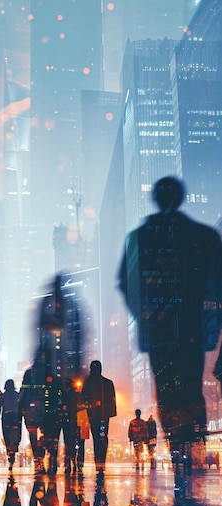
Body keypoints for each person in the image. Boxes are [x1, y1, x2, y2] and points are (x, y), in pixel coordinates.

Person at [118, 176, 222, 465]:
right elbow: (217, 283)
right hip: (192, 329)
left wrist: (145, 315)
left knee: (166, 390)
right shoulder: (204, 237)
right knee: (191, 387)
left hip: (160, 333)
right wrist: (212, 321)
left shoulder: (140, 238)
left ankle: (180, 445)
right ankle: (190, 445)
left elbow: (125, 282)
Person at [81, 360, 117, 472]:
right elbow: (112, 401)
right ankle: (101, 461)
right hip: (103, 418)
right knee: (102, 437)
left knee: (97, 438)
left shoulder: (87, 382)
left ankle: (98, 461)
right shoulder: (108, 383)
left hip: (91, 417)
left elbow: (82, 400)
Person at [0, 379, 21, 472]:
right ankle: (12, 457)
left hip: (6, 420)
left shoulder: (2, 396)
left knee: (8, 439)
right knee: (15, 439)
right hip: (16, 419)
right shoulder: (17, 395)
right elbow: (21, 408)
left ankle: (10, 457)